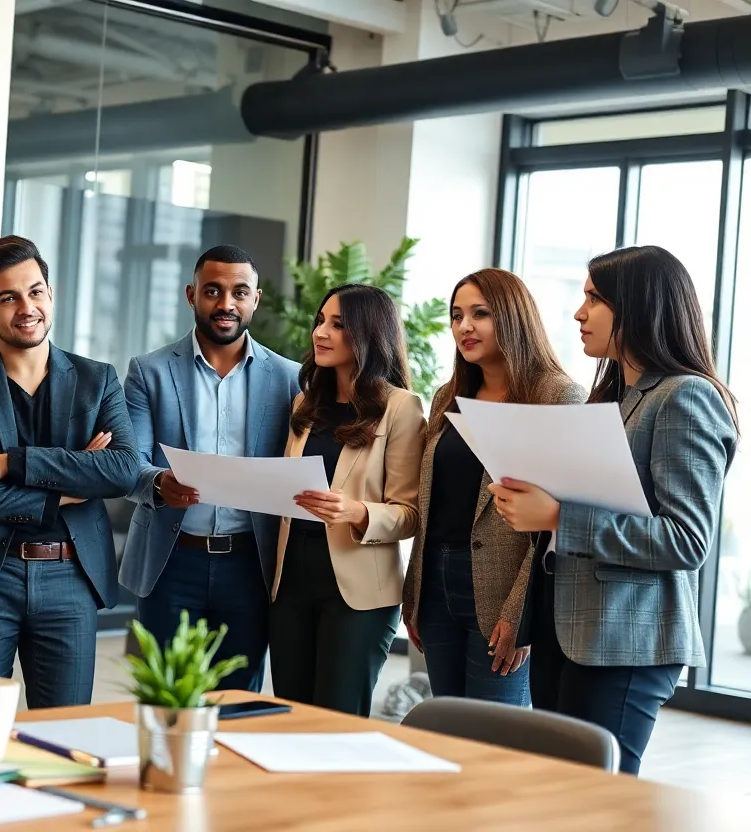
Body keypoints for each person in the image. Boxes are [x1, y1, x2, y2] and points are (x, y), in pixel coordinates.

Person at [491, 245, 738, 775]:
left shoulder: (684, 397)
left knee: (598, 794)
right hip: (564, 625)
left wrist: (558, 517)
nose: (579, 313)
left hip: (623, 639)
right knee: (561, 789)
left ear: (639, 306)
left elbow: (686, 540)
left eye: (594, 299)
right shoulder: (612, 398)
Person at [0, 235, 139, 708]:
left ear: (50, 294)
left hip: (71, 576)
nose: (27, 307)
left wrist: (10, 463)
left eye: (36, 291)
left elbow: (122, 470)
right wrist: (60, 492)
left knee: (64, 730)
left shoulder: (97, 379)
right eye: (8, 298)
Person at [119, 245, 300, 692]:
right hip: (170, 560)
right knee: (167, 697)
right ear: (191, 295)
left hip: (250, 565)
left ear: (255, 299)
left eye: (240, 292)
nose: (226, 304)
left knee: (237, 699)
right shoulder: (149, 371)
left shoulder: (290, 378)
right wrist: (157, 483)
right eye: (213, 291)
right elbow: (127, 464)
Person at [402, 269, 584, 706]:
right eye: (456, 316)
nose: (464, 326)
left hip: (502, 589)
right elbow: (431, 503)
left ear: (513, 316)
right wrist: (415, 593)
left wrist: (521, 613)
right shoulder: (448, 395)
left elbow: (553, 527)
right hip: (436, 583)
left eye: (480, 314)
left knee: (492, 732)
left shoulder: (558, 396)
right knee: (448, 724)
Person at [269, 284, 425, 716]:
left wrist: (357, 512)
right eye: (320, 321)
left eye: (337, 325)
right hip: (291, 580)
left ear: (368, 333)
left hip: (357, 593)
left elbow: (411, 514)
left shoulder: (400, 407)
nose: (320, 332)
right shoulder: (305, 403)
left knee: (336, 720)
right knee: (289, 715)